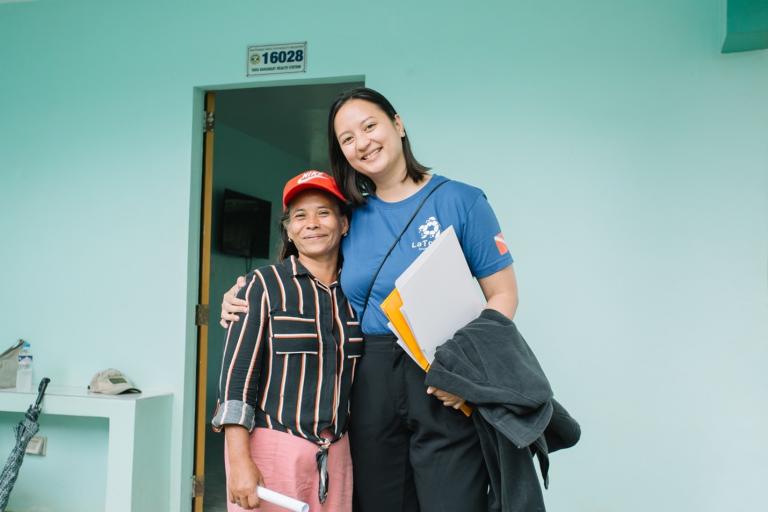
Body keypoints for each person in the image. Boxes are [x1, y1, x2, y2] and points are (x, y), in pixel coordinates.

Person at [221, 88, 520, 512]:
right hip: (368, 378)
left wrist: (464, 372)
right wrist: (241, 294)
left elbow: (503, 295)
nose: (362, 143)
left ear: (397, 125)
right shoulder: (351, 216)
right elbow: (312, 274)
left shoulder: (462, 200)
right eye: (347, 138)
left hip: (440, 372)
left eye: (369, 126)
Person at [212, 170, 361, 511]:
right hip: (273, 450)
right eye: (300, 216)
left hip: (336, 455)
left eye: (323, 212)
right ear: (289, 230)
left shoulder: (357, 296)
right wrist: (239, 463)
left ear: (344, 224)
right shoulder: (262, 285)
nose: (312, 223)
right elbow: (236, 382)